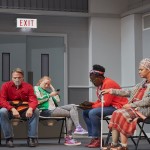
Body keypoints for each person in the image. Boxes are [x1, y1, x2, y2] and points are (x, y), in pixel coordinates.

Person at [101, 58, 150, 150]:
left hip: (144, 111)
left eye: (141, 69)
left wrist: (131, 105)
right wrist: (110, 91)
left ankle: (124, 146)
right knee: (116, 113)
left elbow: (148, 101)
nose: (139, 72)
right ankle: (114, 144)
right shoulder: (142, 84)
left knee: (123, 114)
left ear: (148, 69)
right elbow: (127, 91)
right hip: (135, 109)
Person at [34, 76, 88, 146]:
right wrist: (50, 95)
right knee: (70, 114)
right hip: (45, 111)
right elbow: (38, 100)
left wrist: (52, 88)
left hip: (54, 109)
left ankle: (77, 128)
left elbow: (58, 100)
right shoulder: (36, 88)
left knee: (73, 106)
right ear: (40, 81)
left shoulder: (47, 91)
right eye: (46, 83)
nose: (47, 85)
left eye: (48, 84)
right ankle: (69, 137)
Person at [83, 64, 128, 148]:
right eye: (91, 80)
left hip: (118, 106)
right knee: (85, 112)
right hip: (110, 105)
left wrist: (92, 107)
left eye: (93, 79)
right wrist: (91, 104)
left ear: (100, 77)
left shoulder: (108, 83)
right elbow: (101, 100)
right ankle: (93, 137)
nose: (92, 81)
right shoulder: (100, 84)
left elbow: (106, 103)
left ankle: (98, 139)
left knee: (93, 113)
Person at [0, 68, 39, 147]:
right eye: (15, 77)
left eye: (19, 77)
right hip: (10, 110)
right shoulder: (5, 86)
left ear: (23, 78)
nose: (17, 79)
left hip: (24, 110)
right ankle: (9, 139)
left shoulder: (28, 86)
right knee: (2, 111)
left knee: (36, 111)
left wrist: (31, 108)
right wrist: (12, 109)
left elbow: (33, 100)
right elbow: (2, 100)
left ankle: (31, 138)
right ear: (11, 78)